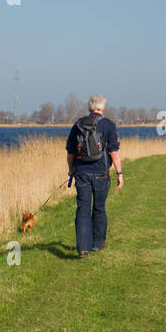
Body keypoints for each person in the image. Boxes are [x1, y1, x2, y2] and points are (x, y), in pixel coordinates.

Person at [65, 95, 123, 257]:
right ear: (102, 108)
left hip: (81, 173)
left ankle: (83, 248)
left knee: (83, 209)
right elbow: (114, 152)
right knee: (99, 208)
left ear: (89, 108)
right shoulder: (108, 125)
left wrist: (71, 170)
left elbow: (70, 152)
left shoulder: (77, 125)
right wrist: (119, 173)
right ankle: (97, 243)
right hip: (101, 173)